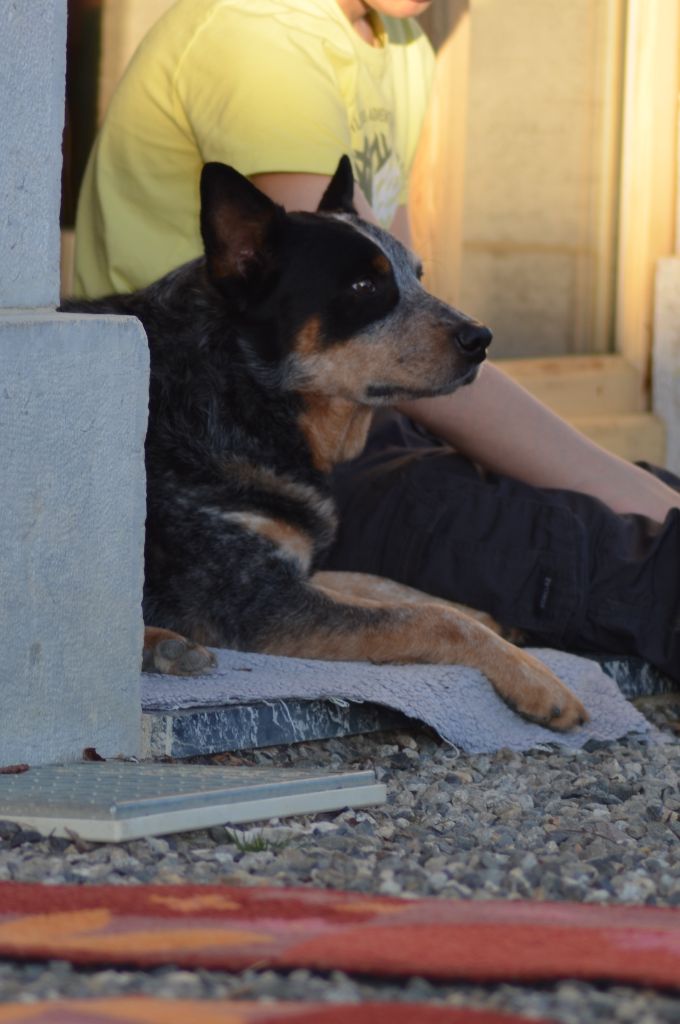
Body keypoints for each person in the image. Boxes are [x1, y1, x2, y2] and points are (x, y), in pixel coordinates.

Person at [73, 0, 680, 681]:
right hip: (230, 437)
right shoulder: (261, 41)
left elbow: (411, 310)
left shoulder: (402, 50)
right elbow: (333, 302)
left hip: (350, 423)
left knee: (633, 502)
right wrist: (638, 497)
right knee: (576, 545)